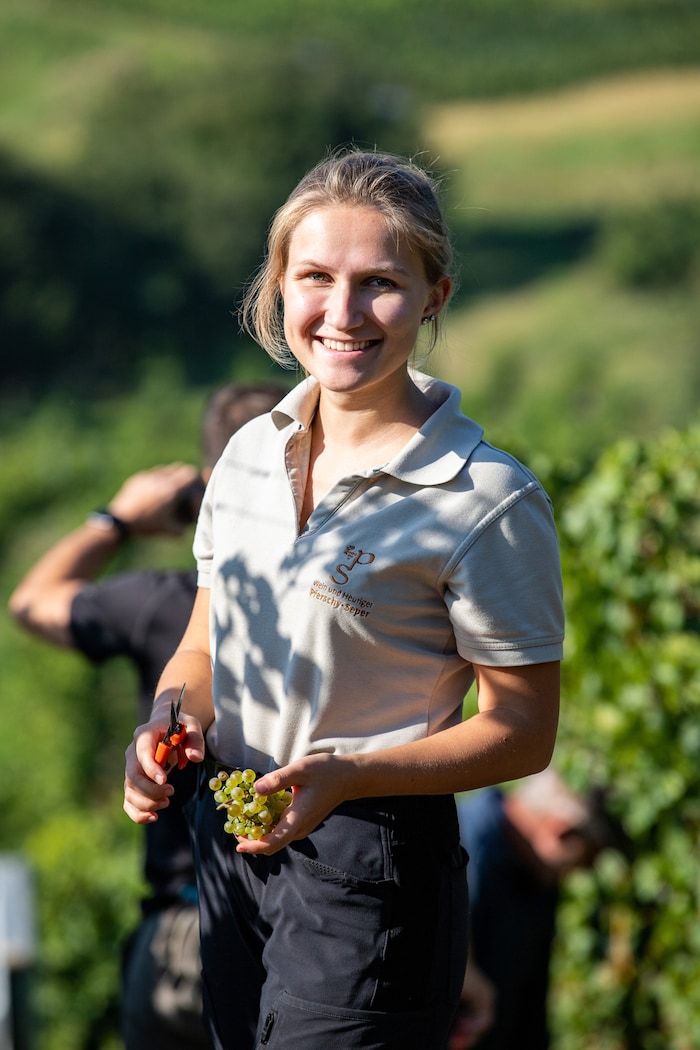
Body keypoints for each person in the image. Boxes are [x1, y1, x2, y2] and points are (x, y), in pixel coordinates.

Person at [123, 148, 565, 1050]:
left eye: (381, 284)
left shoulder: (485, 500)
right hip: (228, 847)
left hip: (373, 869)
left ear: (434, 297)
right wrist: (165, 730)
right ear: (280, 286)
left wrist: (350, 775)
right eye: (316, 277)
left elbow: (523, 729)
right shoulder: (248, 454)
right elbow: (207, 644)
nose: (342, 313)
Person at [8, 381, 287, 1050]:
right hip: (309, 919)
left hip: (184, 924)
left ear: (211, 480)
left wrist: (120, 519)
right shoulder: (336, 598)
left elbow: (32, 602)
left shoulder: (161, 603)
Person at [449, 769, 630, 1050]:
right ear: (559, 832)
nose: (580, 873)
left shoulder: (537, 877)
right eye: (588, 859)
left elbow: (530, 1010)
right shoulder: (451, 843)